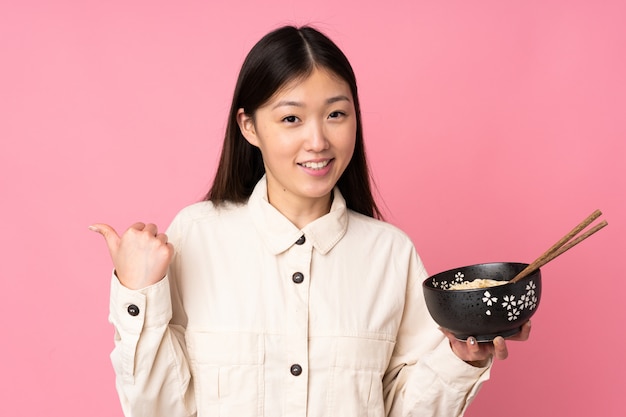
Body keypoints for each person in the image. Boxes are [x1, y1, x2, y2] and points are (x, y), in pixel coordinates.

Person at [90, 25, 531, 417]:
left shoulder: (390, 254)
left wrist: (461, 358)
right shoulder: (197, 236)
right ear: (248, 126)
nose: (317, 140)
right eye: (291, 119)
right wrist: (137, 294)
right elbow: (155, 410)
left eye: (336, 114)